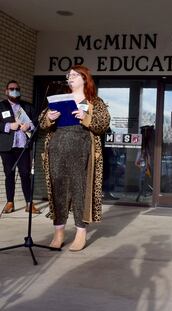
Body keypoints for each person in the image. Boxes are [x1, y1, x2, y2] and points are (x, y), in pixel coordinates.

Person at [40, 65, 110, 251]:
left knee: (80, 190)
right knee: (58, 189)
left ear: (84, 78)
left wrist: (85, 117)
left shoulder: (95, 101)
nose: (70, 77)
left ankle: (80, 232)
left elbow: (103, 124)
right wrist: (49, 116)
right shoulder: (60, 99)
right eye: (68, 75)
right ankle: (59, 232)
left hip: (82, 149)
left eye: (74, 75)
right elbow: (41, 122)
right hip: (57, 148)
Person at [0, 80, 40, 214]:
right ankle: (10, 202)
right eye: (11, 89)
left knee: (25, 174)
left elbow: (37, 121)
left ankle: (29, 203)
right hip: (7, 147)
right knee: (9, 174)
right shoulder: (1, 106)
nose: (14, 91)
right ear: (6, 91)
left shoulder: (28, 106)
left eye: (17, 89)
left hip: (23, 146)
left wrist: (29, 126)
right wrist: (8, 126)